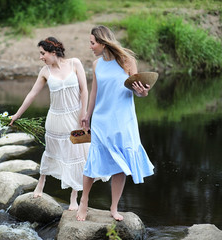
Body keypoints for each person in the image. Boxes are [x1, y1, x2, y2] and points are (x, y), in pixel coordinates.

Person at [76, 25, 155, 221]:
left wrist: (143, 91)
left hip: (123, 120)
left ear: (103, 43)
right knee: (92, 162)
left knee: (121, 166)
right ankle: (84, 201)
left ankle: (113, 208)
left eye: (92, 43)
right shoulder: (96, 64)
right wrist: (87, 114)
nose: (90, 46)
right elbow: (94, 92)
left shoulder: (128, 61)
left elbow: (138, 91)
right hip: (102, 120)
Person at [10, 37, 89, 210]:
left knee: (76, 156)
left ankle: (74, 197)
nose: (41, 57)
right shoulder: (45, 71)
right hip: (55, 120)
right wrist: (16, 114)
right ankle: (41, 182)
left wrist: (84, 113)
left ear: (53, 52)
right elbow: (32, 94)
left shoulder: (75, 63)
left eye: (42, 53)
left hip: (76, 118)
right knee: (51, 151)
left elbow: (84, 90)